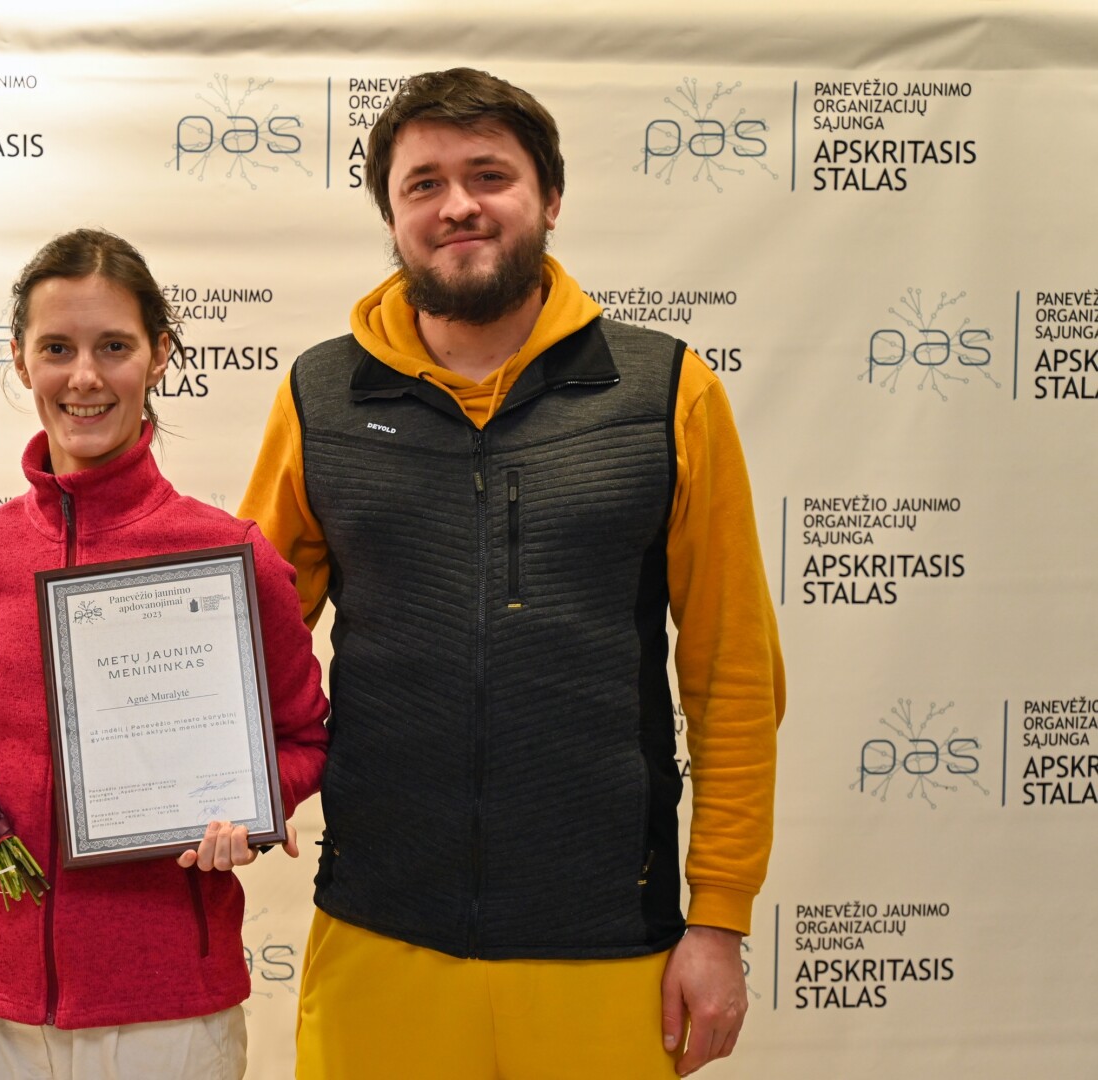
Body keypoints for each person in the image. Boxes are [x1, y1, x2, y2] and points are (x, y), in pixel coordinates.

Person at [240, 69, 783, 1078]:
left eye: (489, 175)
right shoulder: (320, 395)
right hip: (379, 931)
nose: (458, 205)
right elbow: (245, 648)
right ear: (392, 217)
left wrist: (719, 919)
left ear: (551, 197)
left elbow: (734, 678)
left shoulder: (667, 391)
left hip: (607, 940)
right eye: (424, 184)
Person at [0, 228, 329, 1080]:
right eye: (57, 348)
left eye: (113, 347)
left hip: (165, 1006)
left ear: (159, 355)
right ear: (20, 361)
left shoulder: (230, 556)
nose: (83, 377)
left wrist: (249, 808)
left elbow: (304, 738)